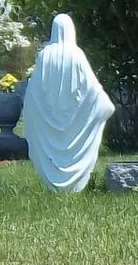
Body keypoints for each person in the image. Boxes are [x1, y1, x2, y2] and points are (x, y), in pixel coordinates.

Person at [23, 13, 114, 193]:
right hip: (74, 115)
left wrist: (33, 110)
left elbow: (34, 91)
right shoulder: (76, 54)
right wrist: (104, 104)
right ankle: (75, 184)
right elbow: (91, 86)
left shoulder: (45, 55)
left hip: (48, 116)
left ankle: (55, 183)